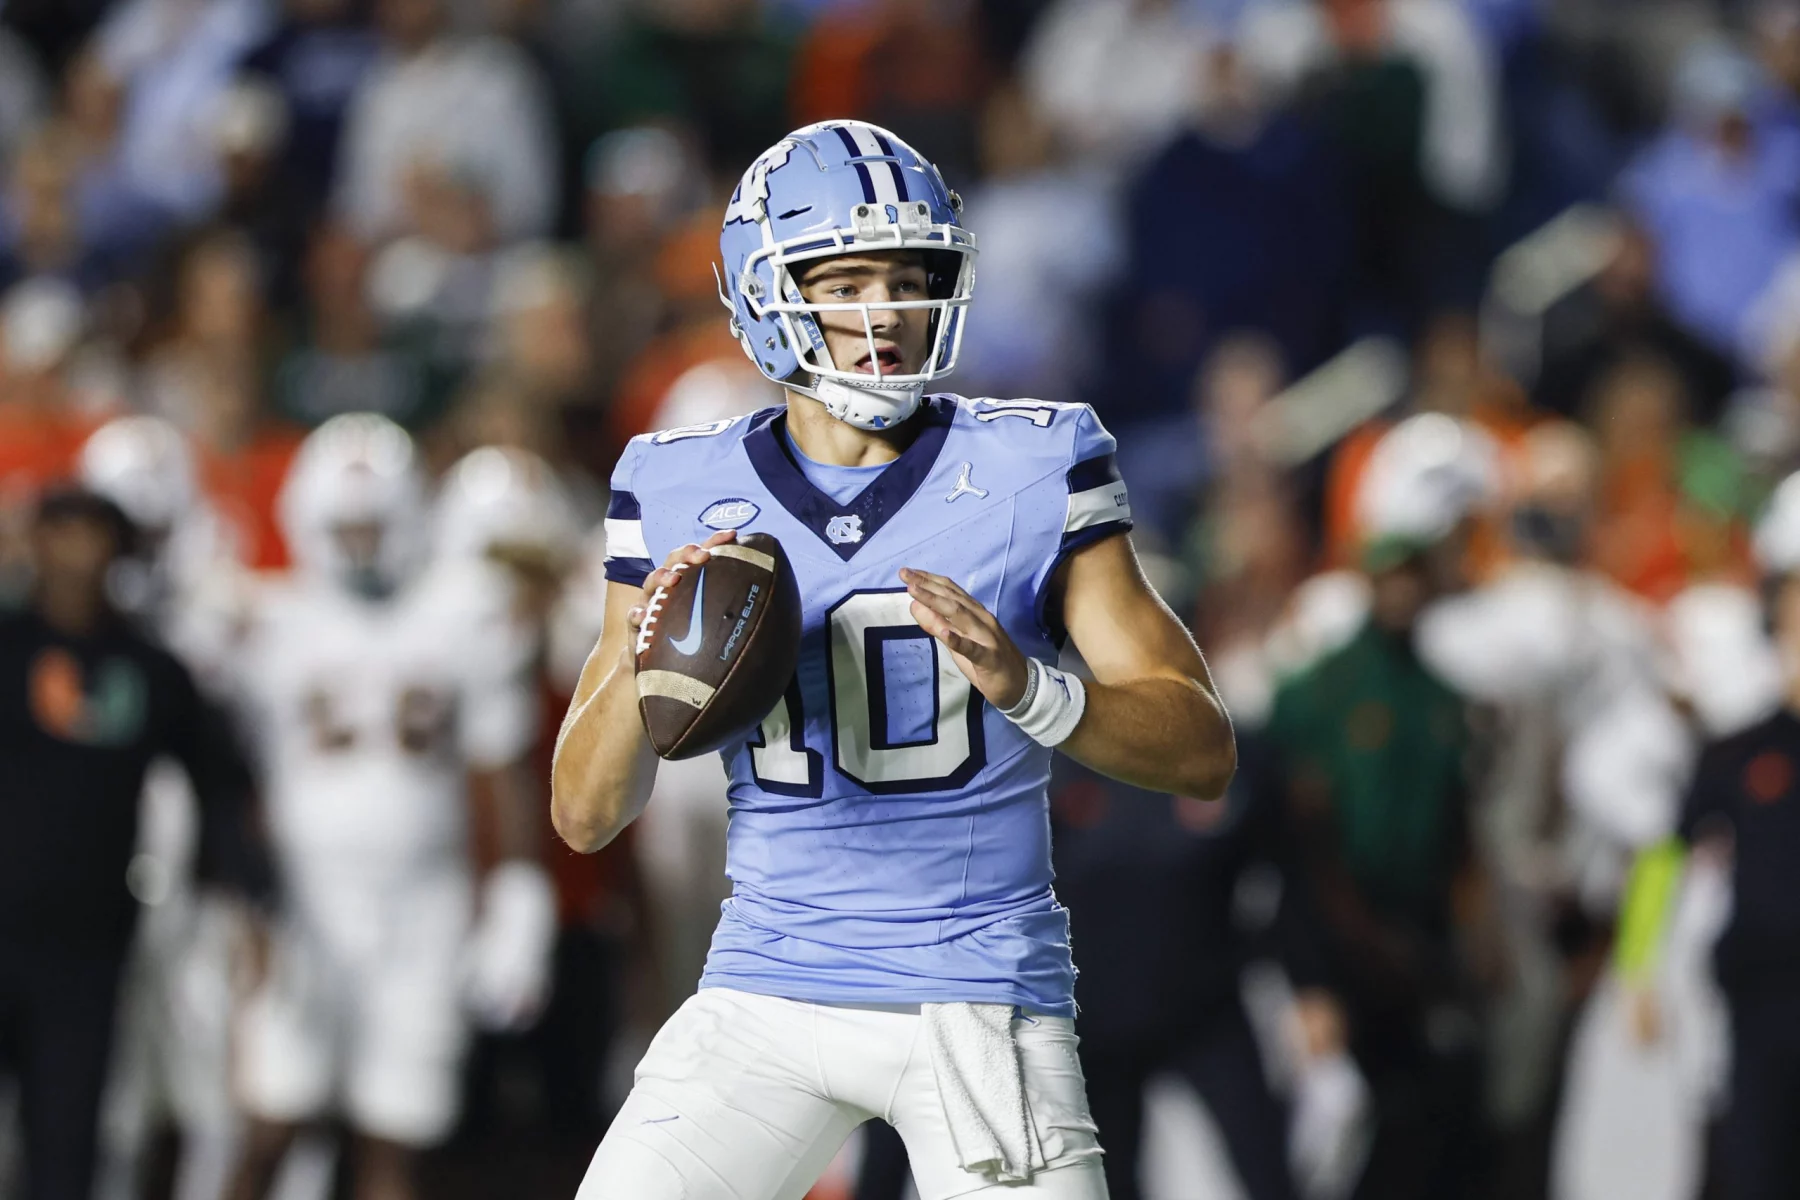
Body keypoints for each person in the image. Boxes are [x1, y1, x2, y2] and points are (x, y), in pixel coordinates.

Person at [553, 120, 1237, 1200]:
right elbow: (586, 812)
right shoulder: (676, 483)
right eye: (848, 279)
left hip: (975, 997)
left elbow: (1202, 748)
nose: (886, 313)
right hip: (765, 991)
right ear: (764, 293)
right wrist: (664, 655)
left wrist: (1034, 690)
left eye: (912, 279)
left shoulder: (1031, 463)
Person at [222, 414, 554, 1200]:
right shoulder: (266, 620)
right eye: (347, 527)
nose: (364, 544)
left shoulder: (462, 610)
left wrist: (517, 901)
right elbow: (231, 781)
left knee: (397, 1131)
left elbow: (501, 771)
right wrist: (245, 906)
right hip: (302, 899)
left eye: (378, 525)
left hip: (423, 906)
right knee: (271, 1121)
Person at [0, 486, 264, 1200]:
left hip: (86, 944)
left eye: (92, 535)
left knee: (67, 1138)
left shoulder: (148, 668)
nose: (77, 554)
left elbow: (216, 779)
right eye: (61, 532)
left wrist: (247, 891)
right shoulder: (7, 646)